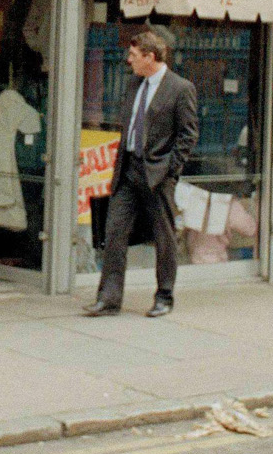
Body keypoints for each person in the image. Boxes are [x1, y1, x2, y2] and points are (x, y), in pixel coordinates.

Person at [83, 29, 199, 319]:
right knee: (113, 234)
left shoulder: (180, 88)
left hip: (157, 175)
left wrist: (170, 170)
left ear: (150, 57)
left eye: (134, 55)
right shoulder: (135, 83)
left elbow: (188, 135)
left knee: (164, 237)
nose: (128, 60)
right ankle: (108, 300)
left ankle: (164, 296)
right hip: (128, 170)